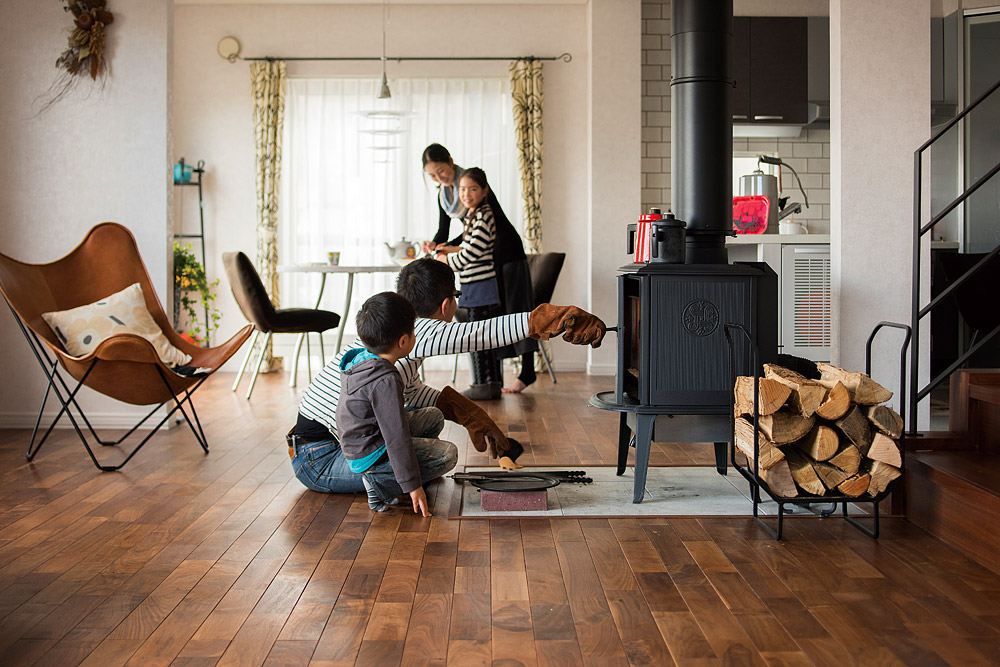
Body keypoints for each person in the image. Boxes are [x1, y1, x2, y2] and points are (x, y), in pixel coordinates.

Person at [286, 258, 606, 497]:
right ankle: (393, 478)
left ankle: (397, 466)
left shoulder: (393, 334)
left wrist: (468, 413)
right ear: (446, 305)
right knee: (445, 455)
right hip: (322, 458)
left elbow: (411, 393)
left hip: (322, 443)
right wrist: (553, 318)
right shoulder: (418, 330)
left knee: (432, 418)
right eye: (456, 296)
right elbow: (479, 333)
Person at [421, 143, 537, 396]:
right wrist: (437, 246)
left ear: (451, 161)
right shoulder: (448, 194)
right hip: (482, 261)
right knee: (494, 320)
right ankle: (490, 381)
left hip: (505, 256)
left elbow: (479, 234)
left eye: (441, 171)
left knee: (517, 311)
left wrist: (450, 254)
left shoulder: (472, 183)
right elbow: (453, 233)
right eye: (433, 176)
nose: (440, 178)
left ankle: (527, 371)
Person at [336, 292, 436, 516]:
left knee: (434, 417)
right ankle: (377, 482)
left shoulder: (363, 360)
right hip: (369, 453)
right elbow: (396, 436)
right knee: (447, 455)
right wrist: (413, 485)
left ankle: (392, 471)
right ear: (403, 341)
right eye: (413, 332)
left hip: (359, 441)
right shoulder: (386, 379)